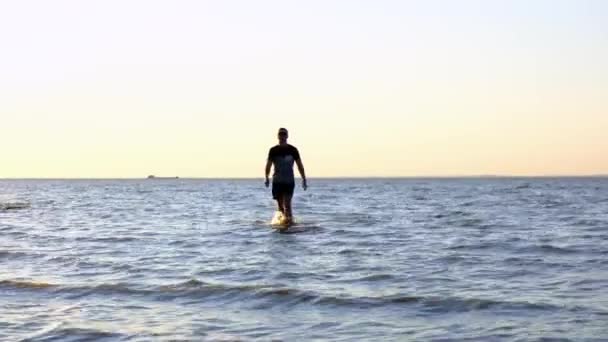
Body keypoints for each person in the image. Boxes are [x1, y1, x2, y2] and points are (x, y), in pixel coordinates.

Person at [265, 128, 307, 224]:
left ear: (287, 136)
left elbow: (299, 165)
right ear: (278, 136)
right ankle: (282, 225)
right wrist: (266, 177)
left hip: (289, 181)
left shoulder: (293, 150)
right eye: (280, 134)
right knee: (280, 206)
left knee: (287, 205)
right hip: (277, 181)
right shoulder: (273, 150)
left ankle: (290, 224)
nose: (282, 136)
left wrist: (304, 178)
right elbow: (268, 165)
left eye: (284, 134)